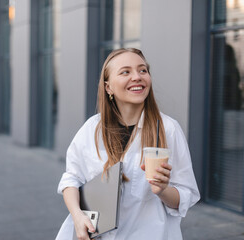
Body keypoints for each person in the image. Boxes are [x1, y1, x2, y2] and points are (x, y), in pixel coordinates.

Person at [55, 48, 200, 240]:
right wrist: (77, 215)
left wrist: (163, 190)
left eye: (143, 70)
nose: (137, 77)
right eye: (125, 72)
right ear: (108, 88)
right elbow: (71, 179)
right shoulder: (92, 128)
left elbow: (186, 195)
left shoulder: (168, 129)